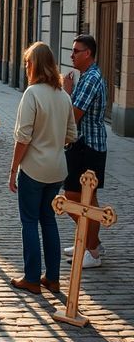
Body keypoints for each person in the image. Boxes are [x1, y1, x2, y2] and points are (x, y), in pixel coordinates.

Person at [9, 42, 77, 295]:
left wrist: (13, 168)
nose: (25, 66)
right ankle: (53, 278)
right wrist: (53, 139)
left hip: (34, 169)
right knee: (48, 221)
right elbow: (72, 134)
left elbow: (23, 137)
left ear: (35, 64)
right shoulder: (63, 96)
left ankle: (31, 277)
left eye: (28, 62)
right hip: (57, 169)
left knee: (29, 221)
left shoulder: (33, 94)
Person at [62, 34, 108, 269]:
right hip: (87, 145)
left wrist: (66, 92)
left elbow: (74, 115)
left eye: (76, 51)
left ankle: (91, 249)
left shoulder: (90, 79)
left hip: (87, 147)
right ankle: (91, 242)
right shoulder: (89, 75)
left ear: (87, 53)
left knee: (74, 198)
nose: (72, 55)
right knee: (84, 198)